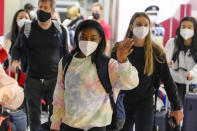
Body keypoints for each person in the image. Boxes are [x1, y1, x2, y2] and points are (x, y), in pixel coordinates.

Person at [50, 20, 139, 131]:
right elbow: (59, 95)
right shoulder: (66, 62)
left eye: (93, 38)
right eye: (83, 37)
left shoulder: (108, 64)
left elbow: (131, 83)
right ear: (77, 37)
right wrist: (55, 123)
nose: (88, 41)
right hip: (70, 125)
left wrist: (123, 61)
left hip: (98, 126)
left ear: (100, 39)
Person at [111, 12, 183, 131]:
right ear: (131, 27)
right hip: (122, 101)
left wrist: (177, 107)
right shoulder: (120, 48)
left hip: (145, 102)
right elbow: (110, 76)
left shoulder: (156, 52)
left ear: (149, 28)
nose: (142, 27)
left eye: (146, 25)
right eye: (139, 24)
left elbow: (168, 80)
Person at [11, 0, 69, 131]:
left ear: (52, 11)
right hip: (32, 79)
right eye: (40, 7)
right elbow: (16, 48)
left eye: (46, 8)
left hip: (54, 78)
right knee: (34, 117)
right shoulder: (27, 28)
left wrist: (68, 73)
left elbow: (66, 53)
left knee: (55, 115)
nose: (41, 10)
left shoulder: (60, 30)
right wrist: (15, 60)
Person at [165, 16, 197, 105]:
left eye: (189, 27)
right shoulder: (172, 42)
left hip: (192, 84)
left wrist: (192, 73)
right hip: (175, 83)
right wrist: (167, 62)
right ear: (179, 28)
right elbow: (166, 57)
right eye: (183, 27)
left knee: (191, 112)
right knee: (175, 111)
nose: (186, 29)